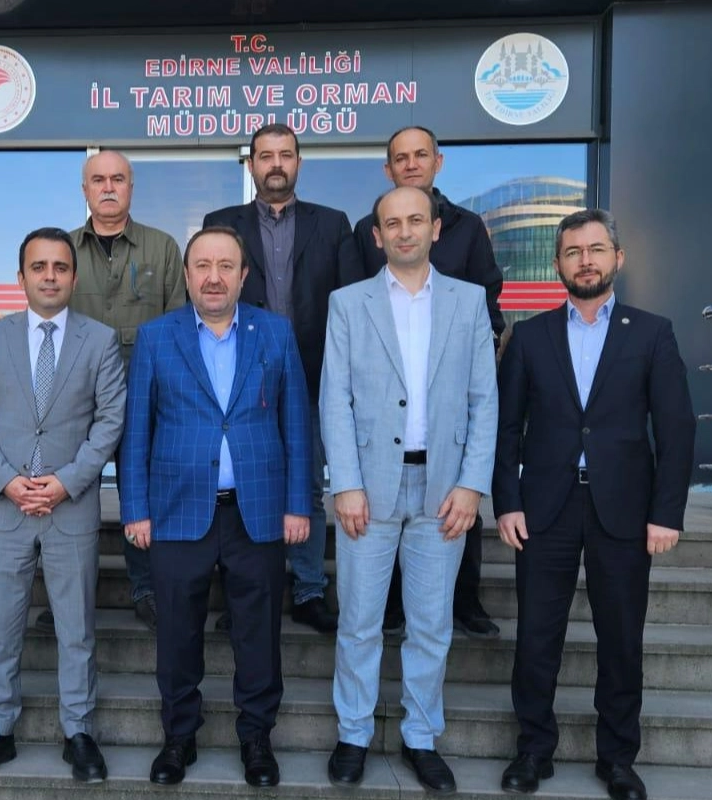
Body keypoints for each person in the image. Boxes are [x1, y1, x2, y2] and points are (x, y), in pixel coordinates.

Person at [494, 209, 695, 800]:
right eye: (574, 252)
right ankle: (533, 750)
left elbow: (676, 428)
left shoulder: (652, 333)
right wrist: (507, 501)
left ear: (617, 258)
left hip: (625, 510)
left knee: (621, 639)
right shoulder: (530, 336)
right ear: (558, 264)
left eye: (596, 249)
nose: (586, 261)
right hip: (544, 509)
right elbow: (506, 428)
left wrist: (666, 513)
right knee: (537, 637)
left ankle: (618, 759)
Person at [120, 226, 312, 788]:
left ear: (244, 275)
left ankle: (257, 738)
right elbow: (137, 431)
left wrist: (298, 504)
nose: (213, 277)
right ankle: (179, 737)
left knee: (259, 634)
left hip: (258, 509)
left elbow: (297, 423)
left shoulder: (275, 332)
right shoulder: (157, 337)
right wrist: (135, 509)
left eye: (226, 266)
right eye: (202, 265)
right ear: (186, 275)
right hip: (177, 510)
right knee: (177, 633)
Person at [320, 186, 497, 794]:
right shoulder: (348, 303)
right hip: (368, 489)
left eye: (415, 220)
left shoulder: (469, 301)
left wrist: (472, 485)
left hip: (443, 487)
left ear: (435, 228)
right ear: (377, 236)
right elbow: (335, 400)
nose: (404, 231)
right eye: (391, 223)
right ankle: (353, 733)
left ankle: (420, 736)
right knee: (359, 622)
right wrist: (345, 483)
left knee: (431, 624)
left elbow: (484, 400)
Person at [0, 227, 125, 783]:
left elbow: (110, 421)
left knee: (76, 629)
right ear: (21, 277)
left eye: (59, 267)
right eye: (39, 267)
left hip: (69, 507)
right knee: (1, 629)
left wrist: (66, 482)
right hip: (6, 508)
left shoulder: (100, 340)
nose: (49, 276)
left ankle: (79, 732)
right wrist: (6, 481)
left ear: (73, 277)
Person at [202, 123, 361, 635]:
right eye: (265, 155)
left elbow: (349, 305)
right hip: (239, 385)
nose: (276, 164)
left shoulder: (332, 224)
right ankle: (244, 593)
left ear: (298, 162)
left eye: (285, 155)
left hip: (312, 379)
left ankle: (309, 589)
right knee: (244, 488)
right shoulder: (221, 223)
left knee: (307, 485)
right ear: (250, 164)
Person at [354, 125, 506, 640]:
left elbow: (488, 295)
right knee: (387, 521)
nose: (412, 163)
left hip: (448, 399)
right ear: (388, 168)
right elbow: (357, 300)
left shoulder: (467, 226)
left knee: (458, 514)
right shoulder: (366, 229)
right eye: (401, 157)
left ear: (438, 162)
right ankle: (395, 607)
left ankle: (466, 602)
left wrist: (479, 350)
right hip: (386, 408)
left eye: (421, 155)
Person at [39, 149, 184, 635]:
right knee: (66, 495)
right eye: (98, 179)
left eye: (117, 179)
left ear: (131, 187)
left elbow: (178, 329)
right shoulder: (62, 250)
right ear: (84, 189)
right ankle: (64, 597)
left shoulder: (162, 248)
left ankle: (147, 589)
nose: (107, 187)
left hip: (146, 398)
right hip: (72, 401)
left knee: (142, 495)